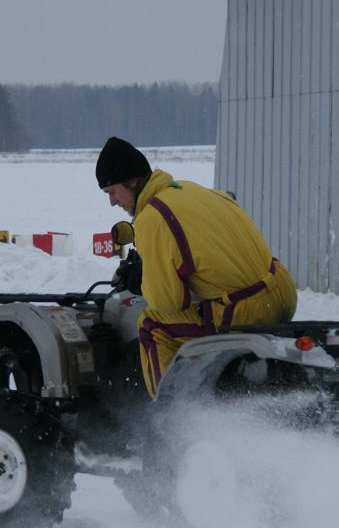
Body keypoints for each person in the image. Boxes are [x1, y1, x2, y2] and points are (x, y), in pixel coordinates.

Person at [95, 136, 297, 398]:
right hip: (282, 292)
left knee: (152, 323)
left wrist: (145, 280)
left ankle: (171, 417)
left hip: (244, 310)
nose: (112, 201)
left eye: (112, 191)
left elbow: (168, 302)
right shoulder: (192, 190)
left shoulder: (151, 218)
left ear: (132, 181)